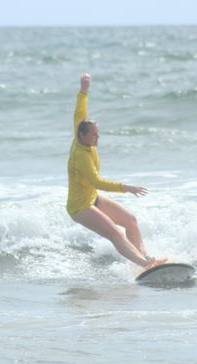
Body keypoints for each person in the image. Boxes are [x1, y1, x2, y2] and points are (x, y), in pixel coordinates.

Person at [66, 73, 164, 269]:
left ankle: (145, 258)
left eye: (98, 133)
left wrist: (83, 90)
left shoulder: (81, 132)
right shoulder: (82, 156)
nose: (98, 137)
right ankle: (145, 264)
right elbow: (97, 181)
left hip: (92, 198)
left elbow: (79, 110)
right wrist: (125, 188)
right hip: (79, 207)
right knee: (115, 234)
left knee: (130, 221)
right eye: (94, 135)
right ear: (83, 135)